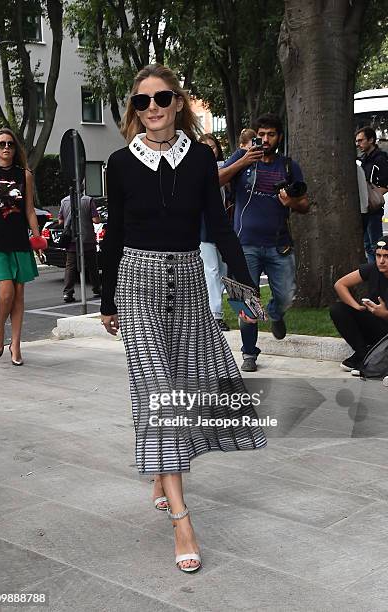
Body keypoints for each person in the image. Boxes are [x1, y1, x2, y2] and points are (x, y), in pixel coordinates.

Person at [100, 63, 266, 573]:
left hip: (189, 284)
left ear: (179, 103)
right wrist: (107, 301)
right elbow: (115, 234)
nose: (152, 107)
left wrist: (242, 290)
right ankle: (182, 520)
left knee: (183, 389)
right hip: (137, 286)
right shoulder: (118, 163)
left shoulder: (199, 159)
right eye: (142, 101)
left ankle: (160, 474)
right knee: (157, 393)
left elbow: (219, 226)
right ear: (134, 109)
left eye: (163, 98)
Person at [219, 114, 309, 372]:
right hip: (244, 244)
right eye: (262, 135)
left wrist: (292, 203)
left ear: (279, 136)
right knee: (246, 301)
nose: (266, 140)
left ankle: (276, 313)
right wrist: (243, 160)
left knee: (287, 294)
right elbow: (215, 180)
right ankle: (249, 353)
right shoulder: (243, 158)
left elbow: (304, 203)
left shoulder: (289, 167)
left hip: (279, 244)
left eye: (271, 135)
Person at [0, 128, 41, 366]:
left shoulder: (24, 175)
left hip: (19, 241)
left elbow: (29, 210)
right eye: (2, 144)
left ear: (16, 149)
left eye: (11, 145)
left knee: (19, 295)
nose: (6, 148)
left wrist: (37, 239)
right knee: (6, 293)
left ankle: (16, 345)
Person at [330, 236, 388, 376]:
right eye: (378, 256)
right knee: (338, 309)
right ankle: (364, 354)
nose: (381, 261)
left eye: (386, 256)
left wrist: (385, 314)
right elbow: (340, 284)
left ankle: (369, 359)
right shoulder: (372, 268)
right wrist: (356, 307)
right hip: (375, 325)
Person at [199, 132, 229, 331]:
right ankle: (215, 315)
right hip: (203, 225)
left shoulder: (224, 168)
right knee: (212, 270)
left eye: (213, 147)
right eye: (205, 147)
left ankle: (211, 309)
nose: (210, 150)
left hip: (223, 225)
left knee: (223, 270)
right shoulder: (196, 170)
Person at [58, 191, 101, 302]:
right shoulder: (88, 200)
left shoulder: (64, 201)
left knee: (70, 267)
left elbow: (60, 221)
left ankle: (68, 293)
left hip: (71, 240)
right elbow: (96, 220)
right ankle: (97, 289)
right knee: (92, 266)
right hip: (87, 240)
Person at [355, 126, 388, 263]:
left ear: (371, 140)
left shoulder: (380, 159)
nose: (358, 144)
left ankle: (378, 275)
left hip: (373, 209)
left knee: (375, 244)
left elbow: (385, 184)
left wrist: (373, 197)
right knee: (368, 245)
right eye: (357, 141)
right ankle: (373, 273)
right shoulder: (364, 159)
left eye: (361, 140)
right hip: (365, 208)